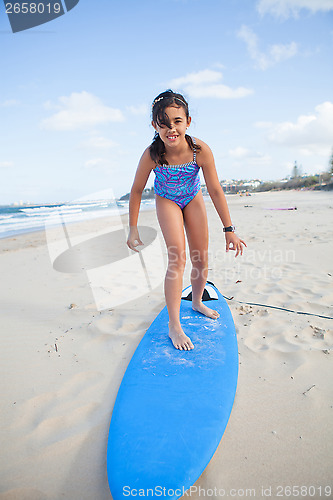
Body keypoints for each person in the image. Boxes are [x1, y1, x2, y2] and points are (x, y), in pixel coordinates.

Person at [126, 90, 246, 351]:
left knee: (201, 258)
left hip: (192, 198)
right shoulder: (152, 155)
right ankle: (174, 325)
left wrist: (229, 229)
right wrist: (133, 229)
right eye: (164, 123)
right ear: (155, 126)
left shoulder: (199, 150)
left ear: (188, 121)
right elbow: (136, 190)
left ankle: (196, 302)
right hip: (166, 200)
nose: (171, 129)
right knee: (177, 257)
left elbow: (214, 189)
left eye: (177, 121)